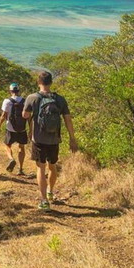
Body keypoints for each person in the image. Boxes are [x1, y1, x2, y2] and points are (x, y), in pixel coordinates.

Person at [22, 71, 78, 211]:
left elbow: (25, 115)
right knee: (52, 166)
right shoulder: (60, 99)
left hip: (39, 139)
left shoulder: (32, 97)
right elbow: (68, 119)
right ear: (51, 82)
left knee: (40, 168)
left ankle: (44, 201)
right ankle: (50, 192)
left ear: (38, 82)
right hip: (55, 139)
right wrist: (72, 138)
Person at [0, 82, 28, 175]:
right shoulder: (24, 101)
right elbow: (28, 116)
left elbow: (3, 115)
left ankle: (11, 159)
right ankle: (21, 169)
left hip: (10, 128)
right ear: (18, 90)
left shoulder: (7, 101)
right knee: (21, 148)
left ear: (10, 91)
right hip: (22, 128)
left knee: (8, 145)